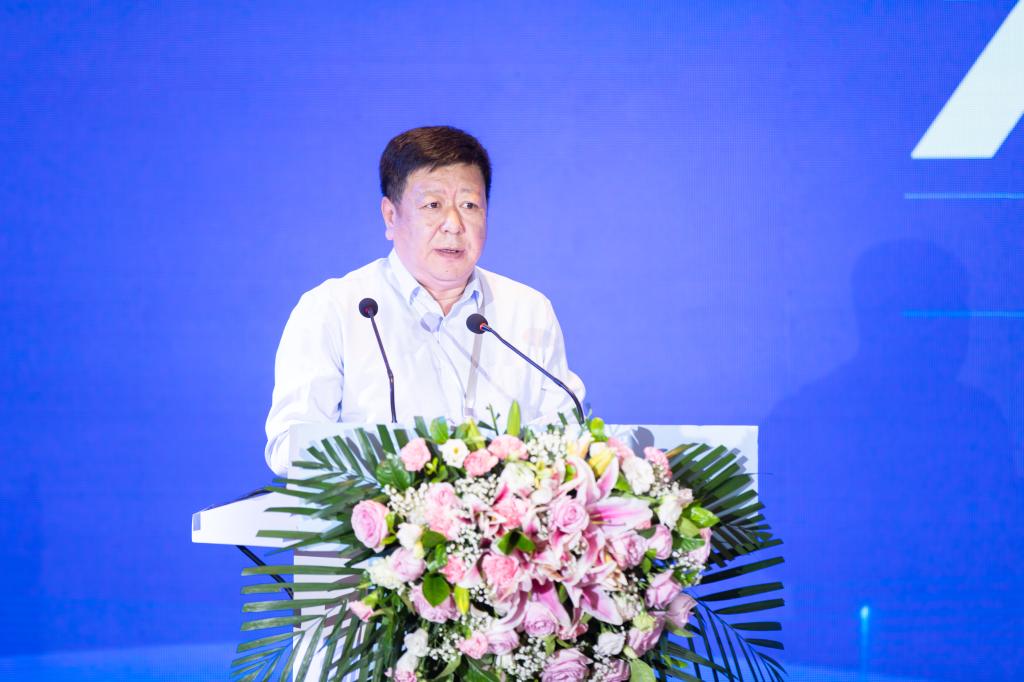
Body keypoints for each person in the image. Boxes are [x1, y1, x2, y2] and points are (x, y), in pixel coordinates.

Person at [264, 125, 585, 475]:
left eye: (469, 205)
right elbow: (288, 447)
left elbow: (569, 436)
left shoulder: (528, 310)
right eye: (433, 205)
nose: (453, 224)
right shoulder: (335, 309)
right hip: (375, 508)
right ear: (391, 216)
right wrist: (398, 471)